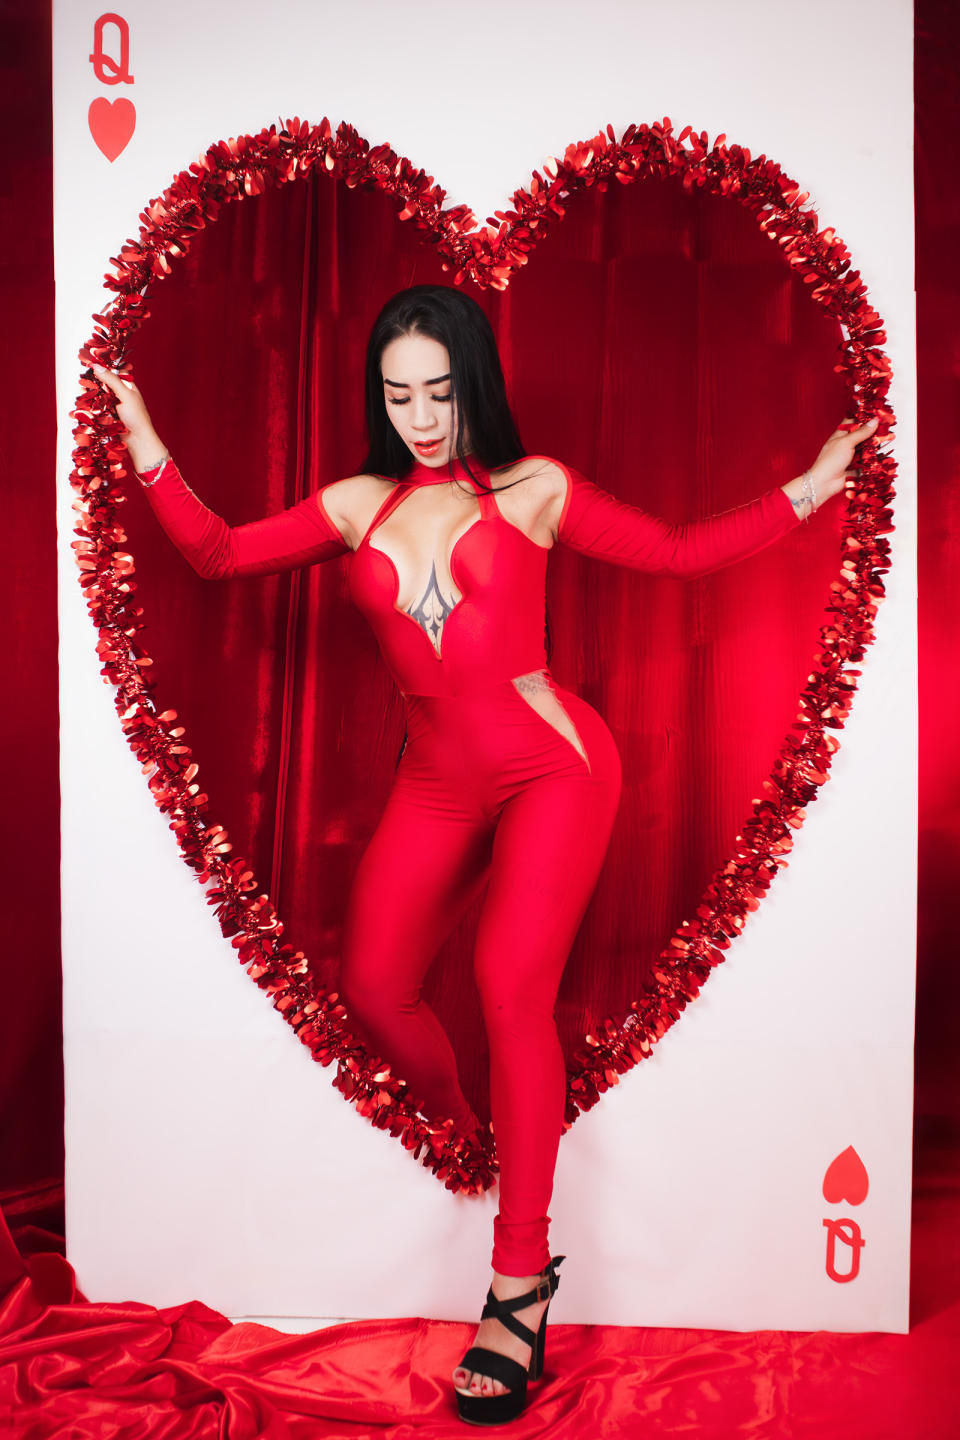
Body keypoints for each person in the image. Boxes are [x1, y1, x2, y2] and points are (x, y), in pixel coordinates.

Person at [91, 284, 877, 1425]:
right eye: (398, 394)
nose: (419, 417)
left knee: (511, 985)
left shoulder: (534, 489)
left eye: (440, 392)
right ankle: (473, 1139)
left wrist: (814, 484)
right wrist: (145, 440)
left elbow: (676, 553)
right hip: (437, 779)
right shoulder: (356, 503)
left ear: (475, 387)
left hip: (557, 766)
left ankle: (517, 1284)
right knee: (375, 985)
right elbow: (214, 554)